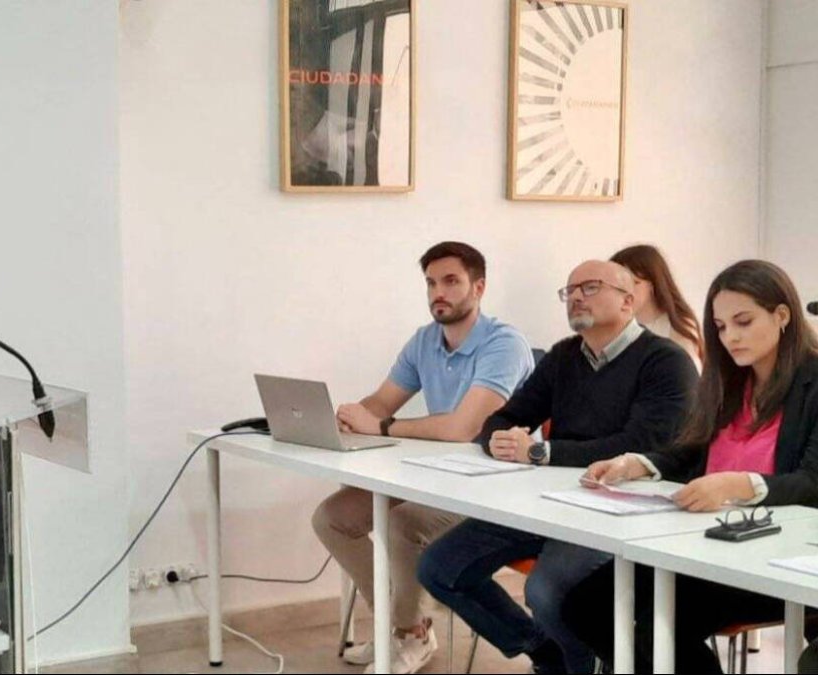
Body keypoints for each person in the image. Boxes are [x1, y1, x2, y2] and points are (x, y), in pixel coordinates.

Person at [416, 260, 698, 673]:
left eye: (590, 287)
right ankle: (548, 653)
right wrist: (500, 437)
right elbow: (506, 416)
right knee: (439, 567)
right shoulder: (564, 356)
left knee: (547, 591)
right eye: (570, 291)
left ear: (628, 300)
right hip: (549, 502)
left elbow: (641, 445)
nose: (577, 297)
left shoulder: (665, 362)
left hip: (623, 510)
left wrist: (540, 453)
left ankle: (577, 665)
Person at [564, 259, 818, 674]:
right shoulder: (728, 381)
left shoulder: (814, 382)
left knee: (655, 631)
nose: (730, 337)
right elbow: (688, 453)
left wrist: (740, 485)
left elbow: (812, 483)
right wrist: (637, 464)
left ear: (782, 315)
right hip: (701, 544)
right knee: (583, 607)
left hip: (769, 555)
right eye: (720, 327)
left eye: (743, 321)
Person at [313, 241, 535, 673]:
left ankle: (408, 634)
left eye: (451, 281)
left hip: (492, 484)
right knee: (334, 517)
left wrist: (379, 426)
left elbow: (464, 428)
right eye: (431, 283)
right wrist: (347, 419)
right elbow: (380, 403)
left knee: (402, 522)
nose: (439, 292)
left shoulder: (504, 344)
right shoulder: (425, 340)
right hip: (432, 475)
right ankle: (404, 624)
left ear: (479, 287)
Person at [611, 244, 704, 369]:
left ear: (653, 283)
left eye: (634, 283)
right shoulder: (613, 326)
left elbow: (688, 378)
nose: (625, 292)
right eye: (616, 286)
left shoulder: (677, 325)